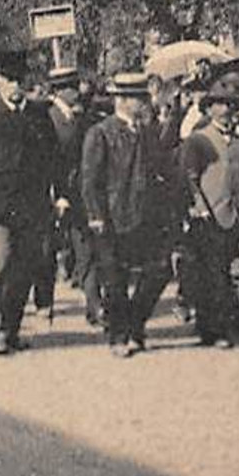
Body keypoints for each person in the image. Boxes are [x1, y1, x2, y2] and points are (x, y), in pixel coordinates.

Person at [0, 50, 66, 354]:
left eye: (19, 80)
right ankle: (0, 330)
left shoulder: (38, 116)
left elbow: (54, 158)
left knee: (23, 269)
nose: (15, 86)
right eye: (9, 81)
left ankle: (11, 329)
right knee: (0, 267)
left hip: (32, 207)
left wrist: (61, 194)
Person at [81, 72, 177, 357]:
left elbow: (160, 171)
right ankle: (119, 336)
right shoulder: (101, 133)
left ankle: (136, 322)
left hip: (147, 216)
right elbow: (89, 180)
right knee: (115, 278)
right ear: (121, 100)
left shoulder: (147, 132)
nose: (145, 103)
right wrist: (96, 215)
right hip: (113, 216)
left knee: (160, 270)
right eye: (138, 98)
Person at [179, 59, 239, 348]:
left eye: (232, 105)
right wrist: (198, 208)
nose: (227, 110)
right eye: (221, 104)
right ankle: (212, 330)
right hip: (211, 214)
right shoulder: (198, 139)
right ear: (209, 107)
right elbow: (189, 178)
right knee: (213, 274)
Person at [46, 65, 100, 325]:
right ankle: (43, 301)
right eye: (70, 87)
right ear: (58, 91)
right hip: (55, 197)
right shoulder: (47, 119)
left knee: (87, 251)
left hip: (79, 196)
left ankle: (94, 306)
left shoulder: (82, 119)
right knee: (46, 251)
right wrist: (56, 195)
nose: (76, 91)